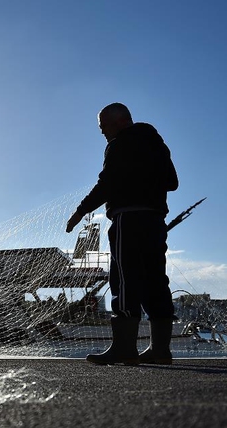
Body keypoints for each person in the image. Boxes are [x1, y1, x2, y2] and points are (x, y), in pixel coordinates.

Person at [66, 103, 178, 365]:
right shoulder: (156, 144)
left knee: (125, 279)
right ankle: (160, 350)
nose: (102, 132)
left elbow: (107, 184)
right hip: (155, 221)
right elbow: (172, 182)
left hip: (128, 218)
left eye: (103, 126)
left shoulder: (119, 145)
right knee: (156, 281)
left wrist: (80, 212)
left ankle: (124, 348)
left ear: (118, 121)